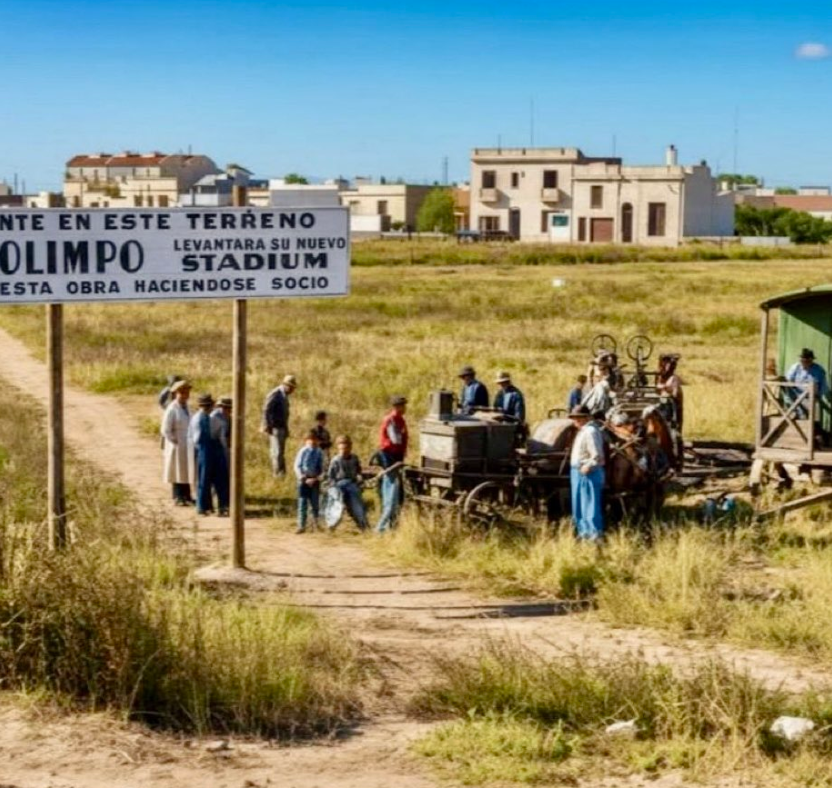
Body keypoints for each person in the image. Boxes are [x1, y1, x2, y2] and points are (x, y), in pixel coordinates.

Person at [568, 405, 605, 541]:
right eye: (574, 418)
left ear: (586, 418)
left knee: (590, 505)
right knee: (579, 505)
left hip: (588, 472)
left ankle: (594, 537)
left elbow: (597, 455)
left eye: (577, 418)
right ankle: (583, 535)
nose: (575, 421)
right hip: (577, 471)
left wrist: (588, 466)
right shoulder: (583, 431)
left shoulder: (590, 432)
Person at [190, 393, 229, 516]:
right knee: (204, 479)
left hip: (212, 450)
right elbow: (195, 438)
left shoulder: (211, 419)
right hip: (204, 450)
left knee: (218, 479)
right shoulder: (198, 419)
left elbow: (220, 436)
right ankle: (203, 506)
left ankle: (219, 506)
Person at [376, 395, 408, 534]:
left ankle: (391, 525)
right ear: (396, 407)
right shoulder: (391, 420)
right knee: (391, 491)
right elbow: (396, 440)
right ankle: (381, 528)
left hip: (396, 456)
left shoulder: (400, 419)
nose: (404, 407)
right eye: (402, 405)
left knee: (395, 491)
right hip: (389, 456)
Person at [161, 379, 194, 506]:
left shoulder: (187, 408)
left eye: (187, 392)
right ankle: (178, 496)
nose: (185, 395)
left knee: (186, 469)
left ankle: (187, 496)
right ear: (176, 393)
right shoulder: (172, 409)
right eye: (182, 392)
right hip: (177, 443)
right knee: (176, 470)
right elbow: (165, 429)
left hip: (187, 443)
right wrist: (174, 441)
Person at [327, 435, 369, 531]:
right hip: (339, 484)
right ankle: (331, 524)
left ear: (350, 447)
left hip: (351, 483)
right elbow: (330, 476)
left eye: (346, 448)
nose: (344, 450)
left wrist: (360, 479)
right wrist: (334, 488)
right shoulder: (336, 460)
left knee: (357, 505)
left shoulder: (354, 458)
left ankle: (363, 525)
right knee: (337, 505)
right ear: (338, 448)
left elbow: (358, 471)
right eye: (342, 448)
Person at [262, 374, 297, 477]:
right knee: (276, 453)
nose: (292, 390)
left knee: (280, 452)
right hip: (275, 428)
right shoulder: (275, 393)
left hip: (282, 427)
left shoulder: (284, 395)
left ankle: (281, 473)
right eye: (291, 387)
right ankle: (277, 474)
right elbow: (266, 409)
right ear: (286, 385)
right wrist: (267, 425)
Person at [786, 348, 830, 425]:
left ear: (811, 360)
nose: (804, 363)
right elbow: (787, 381)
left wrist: (817, 395)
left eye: (806, 361)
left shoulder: (819, 370)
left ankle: (814, 431)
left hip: (811, 398)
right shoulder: (795, 367)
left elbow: (823, 387)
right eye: (802, 360)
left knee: (814, 415)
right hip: (796, 397)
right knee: (795, 413)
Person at [294, 430, 324, 533]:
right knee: (302, 503)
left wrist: (317, 478)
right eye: (310, 440)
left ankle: (315, 524)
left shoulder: (319, 452)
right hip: (304, 480)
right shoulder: (303, 451)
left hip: (314, 480)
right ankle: (301, 525)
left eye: (315, 440)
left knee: (315, 503)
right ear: (306, 441)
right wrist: (302, 477)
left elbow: (321, 467)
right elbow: (297, 466)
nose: (313, 442)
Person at [656, 354, 684, 430]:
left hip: (668, 405)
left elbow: (675, 394)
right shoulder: (659, 376)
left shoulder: (674, 379)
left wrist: (665, 389)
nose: (667, 367)